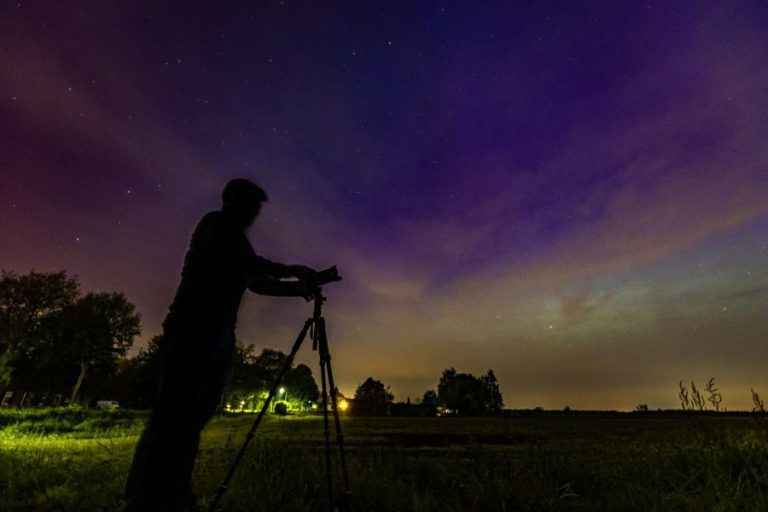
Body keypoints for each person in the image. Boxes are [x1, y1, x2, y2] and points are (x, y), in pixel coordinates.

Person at [125, 179, 318, 512]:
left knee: (195, 416)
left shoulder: (235, 245)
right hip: (193, 329)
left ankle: (174, 493)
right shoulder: (216, 227)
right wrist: (290, 270)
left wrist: (296, 289)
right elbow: (249, 264)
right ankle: (145, 496)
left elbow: (255, 282)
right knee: (173, 414)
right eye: (251, 207)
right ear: (234, 203)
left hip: (217, 333)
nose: (254, 215)